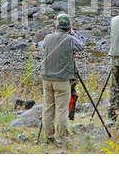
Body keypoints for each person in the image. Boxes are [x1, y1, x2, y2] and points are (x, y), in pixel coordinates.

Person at [41, 13, 84, 144]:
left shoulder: (47, 38)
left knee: (48, 108)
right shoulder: (70, 39)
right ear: (69, 27)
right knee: (61, 110)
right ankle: (64, 138)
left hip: (47, 78)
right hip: (62, 80)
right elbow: (81, 47)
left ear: (56, 26)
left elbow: (43, 46)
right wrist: (73, 33)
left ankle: (48, 137)